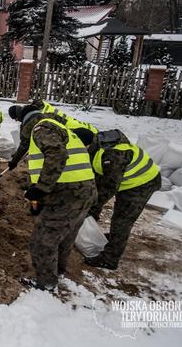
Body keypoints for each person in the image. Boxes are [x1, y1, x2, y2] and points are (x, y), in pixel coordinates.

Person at [22, 113, 97, 291]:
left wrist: (41, 189)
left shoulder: (41, 128)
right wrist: (39, 199)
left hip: (68, 195)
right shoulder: (64, 131)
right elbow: (50, 166)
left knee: (42, 241)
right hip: (85, 191)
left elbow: (57, 155)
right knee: (65, 236)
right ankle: (58, 271)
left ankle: (46, 284)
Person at [72, 128, 161, 270]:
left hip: (142, 183)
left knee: (122, 220)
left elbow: (108, 187)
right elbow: (97, 180)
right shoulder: (97, 148)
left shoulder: (112, 155)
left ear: (85, 145)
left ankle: (110, 258)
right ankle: (110, 237)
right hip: (127, 180)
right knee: (96, 208)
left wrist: (91, 207)